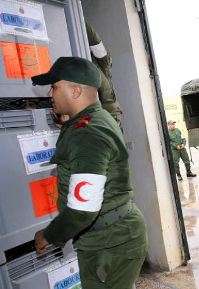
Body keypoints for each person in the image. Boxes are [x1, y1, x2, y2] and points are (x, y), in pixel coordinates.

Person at [31, 57, 148, 288]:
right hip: (111, 237)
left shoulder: (87, 133)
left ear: (75, 91)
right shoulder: (94, 118)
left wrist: (47, 235)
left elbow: (82, 210)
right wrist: (67, 124)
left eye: (54, 86)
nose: (50, 94)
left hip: (110, 243)